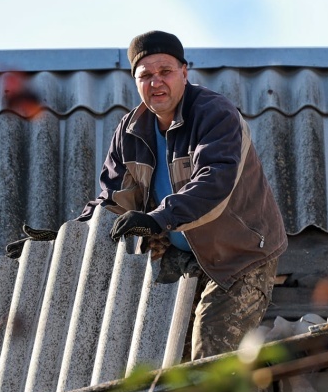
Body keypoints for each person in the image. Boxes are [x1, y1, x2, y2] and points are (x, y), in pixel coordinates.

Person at [77, 30, 287, 361]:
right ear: (135, 81)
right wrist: (64, 237)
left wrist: (158, 218)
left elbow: (214, 181)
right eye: (145, 75)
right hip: (181, 257)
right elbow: (113, 201)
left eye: (165, 72)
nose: (156, 82)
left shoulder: (214, 113)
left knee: (211, 348)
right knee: (160, 351)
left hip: (240, 254)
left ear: (185, 73)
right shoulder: (130, 131)